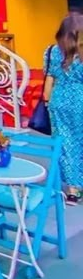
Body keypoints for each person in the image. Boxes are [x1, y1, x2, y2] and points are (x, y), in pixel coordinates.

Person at [43, 13, 83, 204]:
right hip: (80, 101)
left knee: (64, 144)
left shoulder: (51, 51)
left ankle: (72, 190)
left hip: (58, 102)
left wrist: (48, 100)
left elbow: (49, 79)